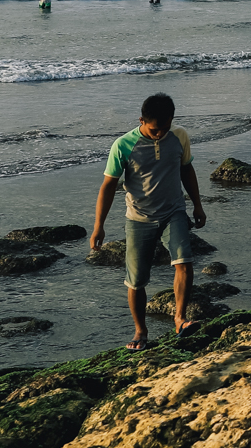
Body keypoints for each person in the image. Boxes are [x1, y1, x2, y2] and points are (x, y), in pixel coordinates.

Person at [89, 93, 207, 351]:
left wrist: (197, 204)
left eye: (165, 128)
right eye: (155, 130)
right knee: (136, 279)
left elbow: (187, 169)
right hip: (139, 218)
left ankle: (179, 319)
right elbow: (108, 186)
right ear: (141, 120)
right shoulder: (123, 145)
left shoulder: (179, 136)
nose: (160, 134)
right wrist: (99, 225)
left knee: (184, 262)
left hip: (174, 211)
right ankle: (140, 331)